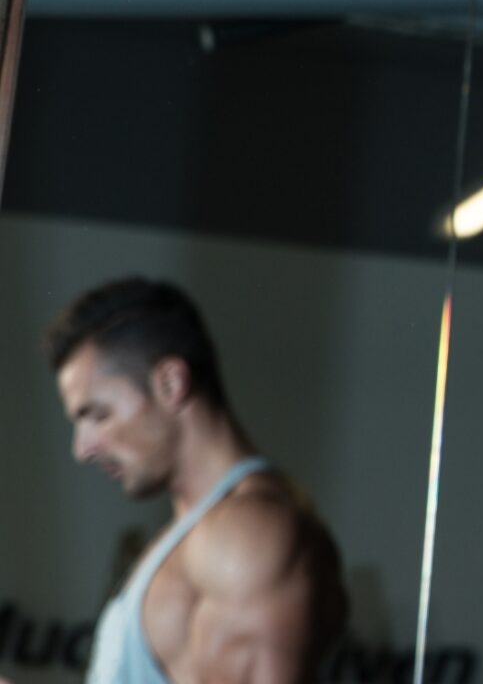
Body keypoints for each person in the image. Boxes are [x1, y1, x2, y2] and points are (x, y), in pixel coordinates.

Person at [45, 278, 346, 684]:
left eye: (97, 415)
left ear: (170, 383)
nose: (82, 449)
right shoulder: (194, 533)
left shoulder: (246, 536)